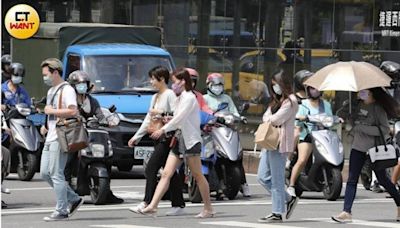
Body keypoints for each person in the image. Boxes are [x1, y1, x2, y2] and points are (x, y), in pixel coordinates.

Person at [134, 68, 214, 218]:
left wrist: (163, 130)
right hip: (179, 139)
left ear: (183, 82)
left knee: (198, 175)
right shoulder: (179, 98)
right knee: (166, 173)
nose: (173, 85)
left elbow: (180, 119)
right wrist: (165, 118)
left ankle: (208, 208)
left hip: (190, 141)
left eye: (175, 82)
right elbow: (175, 117)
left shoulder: (189, 98)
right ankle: (153, 206)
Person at [332, 87, 400, 223]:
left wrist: (360, 127)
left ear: (371, 93)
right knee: (352, 179)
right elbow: (341, 115)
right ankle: (346, 212)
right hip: (357, 147)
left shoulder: (377, 108)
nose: (361, 93)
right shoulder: (356, 105)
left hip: (374, 150)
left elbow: (385, 129)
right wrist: (346, 110)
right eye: (360, 91)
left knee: (383, 180)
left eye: (364, 91)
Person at [128, 66, 186, 216]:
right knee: (170, 173)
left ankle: (146, 202)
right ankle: (178, 204)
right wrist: (137, 136)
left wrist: (160, 114)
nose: (151, 81)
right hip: (156, 136)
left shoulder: (170, 95)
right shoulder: (155, 97)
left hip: (167, 138)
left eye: (153, 78)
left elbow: (176, 115)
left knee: (151, 168)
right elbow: (148, 119)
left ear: (161, 79)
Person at [66, 70, 124, 204]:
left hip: (91, 133)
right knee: (69, 159)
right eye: (79, 84)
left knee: (107, 158)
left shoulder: (92, 101)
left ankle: (107, 192)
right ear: (73, 86)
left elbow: (100, 114)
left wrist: (105, 120)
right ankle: (66, 190)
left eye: (84, 83)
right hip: (75, 134)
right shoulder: (71, 100)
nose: (82, 86)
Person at [39, 58, 83, 221]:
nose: (45, 78)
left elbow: (73, 111)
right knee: (45, 173)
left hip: (61, 136)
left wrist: (53, 111)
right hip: (51, 135)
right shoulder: (51, 91)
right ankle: (74, 198)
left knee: (56, 173)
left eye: (46, 75)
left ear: (55, 72)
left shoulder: (67, 90)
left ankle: (62, 209)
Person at [257, 68, 299, 223]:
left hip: (280, 144)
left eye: (276, 84)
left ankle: (277, 212)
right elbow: (266, 116)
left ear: (283, 84)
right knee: (262, 177)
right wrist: (270, 118)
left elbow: (276, 119)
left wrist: (270, 118)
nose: (274, 88)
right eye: (273, 85)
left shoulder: (291, 101)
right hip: (269, 142)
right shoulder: (276, 101)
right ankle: (288, 198)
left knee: (277, 180)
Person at [203, 72, 251, 197]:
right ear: (209, 85)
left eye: (220, 84)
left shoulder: (227, 98)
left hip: (227, 129)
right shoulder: (204, 99)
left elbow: (234, 112)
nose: (217, 87)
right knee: (214, 156)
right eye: (214, 84)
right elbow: (203, 114)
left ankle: (243, 183)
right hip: (212, 131)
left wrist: (241, 117)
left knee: (238, 154)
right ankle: (216, 183)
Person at [287, 84, 333, 197]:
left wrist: (337, 119)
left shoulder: (326, 105)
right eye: (312, 88)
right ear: (308, 90)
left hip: (323, 136)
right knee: (302, 159)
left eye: (317, 88)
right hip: (307, 135)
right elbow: (298, 121)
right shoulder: (303, 104)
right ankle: (291, 185)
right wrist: (301, 118)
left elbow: (330, 119)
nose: (315, 90)